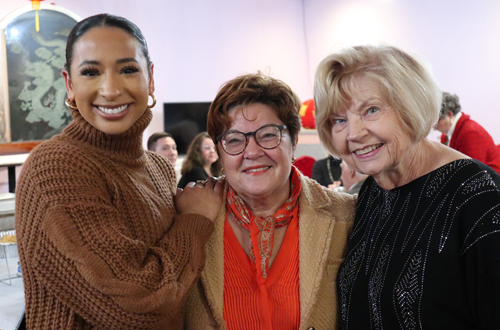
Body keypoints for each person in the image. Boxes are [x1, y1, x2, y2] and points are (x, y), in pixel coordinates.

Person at [15, 14, 223, 330]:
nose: (110, 90)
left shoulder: (158, 168)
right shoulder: (56, 168)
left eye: (128, 69)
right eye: (90, 72)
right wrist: (196, 220)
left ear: (150, 78)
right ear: (69, 85)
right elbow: (137, 308)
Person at [314, 44, 500, 329]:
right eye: (339, 120)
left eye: (371, 110)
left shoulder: (478, 196)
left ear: (410, 106)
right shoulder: (372, 193)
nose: (353, 133)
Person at [183, 72, 357, 329]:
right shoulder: (189, 219)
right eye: (233, 140)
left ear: (294, 140)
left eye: (267, 135)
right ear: (219, 152)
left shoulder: (345, 215)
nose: (252, 152)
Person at [435, 92, 500, 173]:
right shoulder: (454, 132)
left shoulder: (470, 133)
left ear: (449, 114)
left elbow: (473, 172)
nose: (434, 126)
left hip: (491, 181)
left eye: (436, 120)